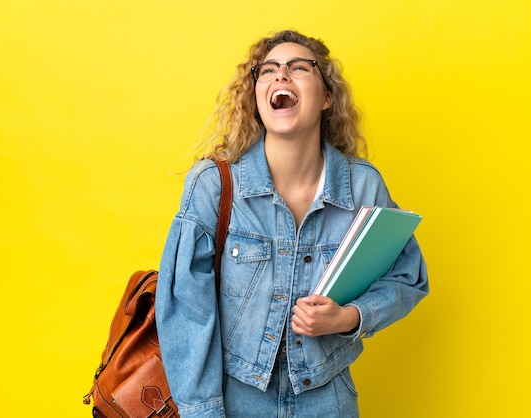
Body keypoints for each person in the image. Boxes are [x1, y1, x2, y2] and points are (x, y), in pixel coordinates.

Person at [155, 29, 429, 418]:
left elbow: (409, 276)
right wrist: (203, 412)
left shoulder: (363, 185)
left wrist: (349, 317)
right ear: (255, 95)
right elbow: (186, 309)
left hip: (328, 398)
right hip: (233, 400)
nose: (281, 76)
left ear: (327, 97)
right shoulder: (213, 185)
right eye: (267, 70)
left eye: (299, 67)